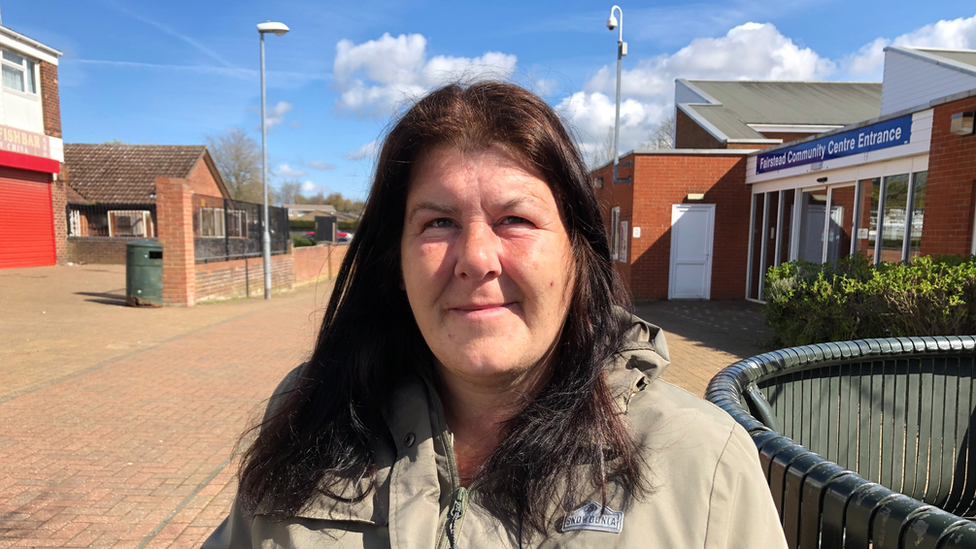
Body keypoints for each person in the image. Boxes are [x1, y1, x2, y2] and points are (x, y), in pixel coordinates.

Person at [203, 81, 787, 549]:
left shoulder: (704, 464)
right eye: (438, 222)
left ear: (578, 255)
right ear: (394, 260)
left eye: (515, 219)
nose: (476, 258)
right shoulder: (310, 417)